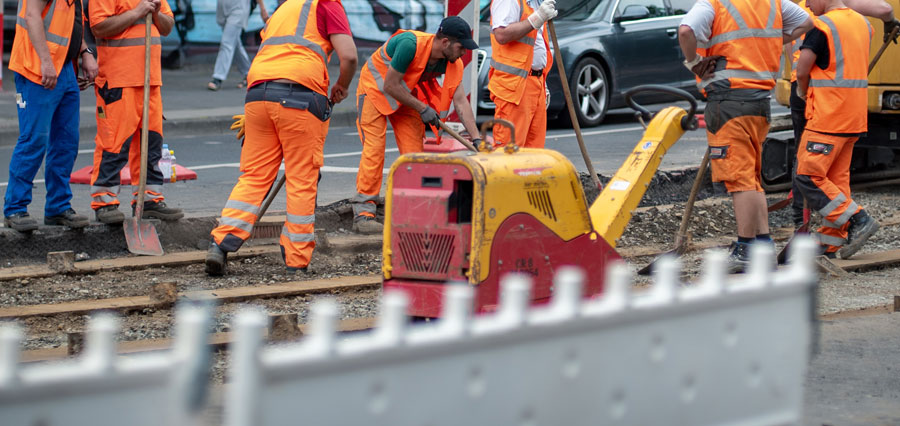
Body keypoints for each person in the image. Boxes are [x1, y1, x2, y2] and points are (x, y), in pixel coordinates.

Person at [205, 0, 358, 276]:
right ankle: (296, 261)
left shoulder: (283, 10)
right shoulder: (327, 4)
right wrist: (342, 86)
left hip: (258, 95)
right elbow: (348, 56)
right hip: (299, 97)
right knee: (301, 179)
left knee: (253, 176)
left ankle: (220, 245)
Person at [678, 0, 812, 272]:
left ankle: (746, 248)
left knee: (740, 181)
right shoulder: (773, 3)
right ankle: (762, 245)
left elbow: (685, 31)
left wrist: (693, 62)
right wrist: (775, 41)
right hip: (759, 102)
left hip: (728, 100)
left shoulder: (714, 4)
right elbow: (807, 22)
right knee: (751, 178)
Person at [350, 16, 483, 234]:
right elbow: (390, 85)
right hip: (374, 89)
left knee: (414, 155)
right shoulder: (409, 45)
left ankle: (410, 209)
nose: (464, 53)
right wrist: (422, 108)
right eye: (461, 47)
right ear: (445, 42)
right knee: (374, 150)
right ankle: (364, 214)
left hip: (406, 94)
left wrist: (476, 138)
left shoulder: (453, 62)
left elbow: (461, 102)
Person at [786, 0, 896, 230]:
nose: (806, 2)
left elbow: (802, 68)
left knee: (807, 175)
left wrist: (801, 91)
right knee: (837, 181)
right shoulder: (863, 24)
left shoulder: (821, 25)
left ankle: (857, 218)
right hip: (854, 116)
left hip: (827, 115)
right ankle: (832, 242)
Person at [89, 0, 184, 224]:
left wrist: (156, 11)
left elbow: (167, 26)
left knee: (151, 143)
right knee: (114, 143)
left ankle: (149, 199)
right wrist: (138, 11)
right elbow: (99, 27)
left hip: (150, 80)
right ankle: (104, 202)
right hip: (118, 80)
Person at [5, 0, 97, 232]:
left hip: (63, 67)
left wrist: (84, 51)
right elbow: (33, 17)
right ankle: (15, 208)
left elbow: (73, 21)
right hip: (37, 68)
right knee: (34, 139)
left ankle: (58, 206)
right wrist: (47, 62)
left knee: (66, 142)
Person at [489, 0, 555, 149]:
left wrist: (543, 83)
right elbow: (501, 34)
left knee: (533, 153)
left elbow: (536, 45)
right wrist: (537, 18)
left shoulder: (535, 3)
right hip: (515, 87)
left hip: (535, 83)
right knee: (509, 153)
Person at [207, 0, 269, 91]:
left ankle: (218, 78)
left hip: (239, 6)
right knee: (234, 42)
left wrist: (262, 9)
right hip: (222, 6)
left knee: (227, 42)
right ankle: (249, 74)